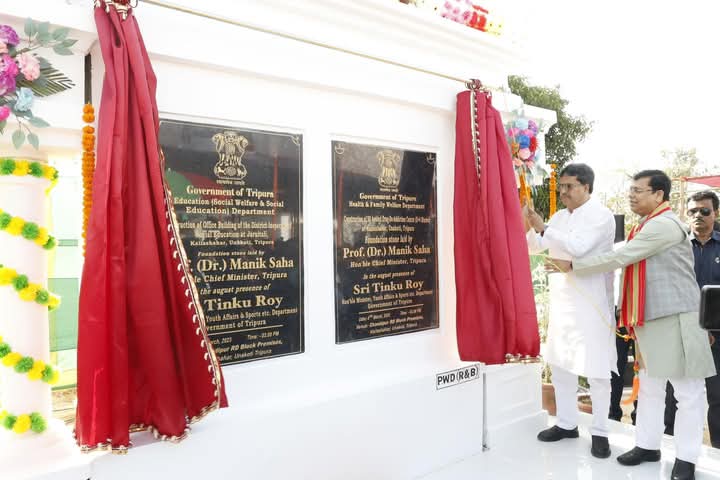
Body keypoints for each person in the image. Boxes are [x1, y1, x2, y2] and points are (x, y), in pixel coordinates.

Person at [548, 170, 716, 480]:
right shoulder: (645, 225)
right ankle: (648, 446)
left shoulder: (664, 225)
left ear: (659, 195)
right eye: (631, 191)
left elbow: (622, 256)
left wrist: (573, 266)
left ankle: (686, 460)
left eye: (639, 191)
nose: (632, 196)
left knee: (687, 393)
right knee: (650, 389)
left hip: (676, 318)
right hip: (649, 321)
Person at [524, 163, 617, 459]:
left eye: (569, 186)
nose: (563, 192)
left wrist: (543, 227)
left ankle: (600, 431)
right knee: (560, 363)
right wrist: (529, 225)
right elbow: (537, 247)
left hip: (592, 303)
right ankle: (566, 423)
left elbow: (579, 247)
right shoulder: (560, 216)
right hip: (563, 301)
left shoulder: (600, 215)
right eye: (561, 186)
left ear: (586, 187)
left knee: (597, 370)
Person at [665, 190, 720, 447]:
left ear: (715, 213)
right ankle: (670, 447)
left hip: (717, 335)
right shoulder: (675, 246)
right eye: (693, 211)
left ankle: (717, 453)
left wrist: (709, 327)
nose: (698, 215)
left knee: (717, 396)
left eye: (704, 211)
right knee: (674, 394)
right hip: (681, 331)